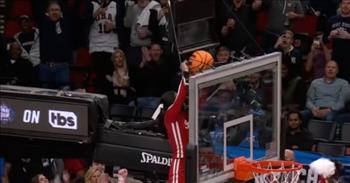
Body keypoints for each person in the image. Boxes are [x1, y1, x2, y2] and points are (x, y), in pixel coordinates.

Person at [164, 51, 213, 183]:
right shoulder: (171, 115)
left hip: (192, 162)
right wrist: (185, 73)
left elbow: (199, 99)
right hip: (179, 163)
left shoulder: (187, 114)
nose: (182, 99)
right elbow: (181, 95)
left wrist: (201, 73)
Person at [88, 0, 121, 94]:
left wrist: (114, 26)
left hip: (112, 47)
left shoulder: (116, 5)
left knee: (111, 80)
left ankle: (110, 104)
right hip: (96, 47)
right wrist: (97, 13)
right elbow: (84, 23)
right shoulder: (91, 4)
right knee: (100, 80)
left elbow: (124, 25)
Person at [39, 1, 73, 89]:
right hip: (46, 66)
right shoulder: (43, 24)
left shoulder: (66, 24)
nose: (54, 12)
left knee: (63, 96)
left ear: (61, 12)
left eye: (57, 10)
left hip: (62, 66)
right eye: (52, 10)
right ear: (47, 12)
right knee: (44, 96)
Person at [323, 0, 350, 82]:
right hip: (336, 57)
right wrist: (330, 36)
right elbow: (324, 39)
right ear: (340, 5)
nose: (346, 6)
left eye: (349, 3)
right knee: (336, 82)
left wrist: (349, 36)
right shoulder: (332, 19)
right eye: (343, 3)